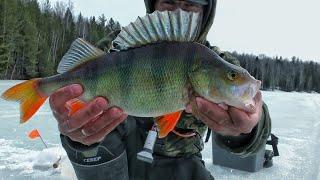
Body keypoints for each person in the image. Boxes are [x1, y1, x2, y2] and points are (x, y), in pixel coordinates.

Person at [50, 0, 271, 179]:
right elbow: (73, 100)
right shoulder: (116, 49)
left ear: (207, 9)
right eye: (169, 1)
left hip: (182, 165)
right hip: (115, 161)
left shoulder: (215, 62)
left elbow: (257, 120)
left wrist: (249, 128)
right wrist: (77, 136)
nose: (178, 11)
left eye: (191, 3)